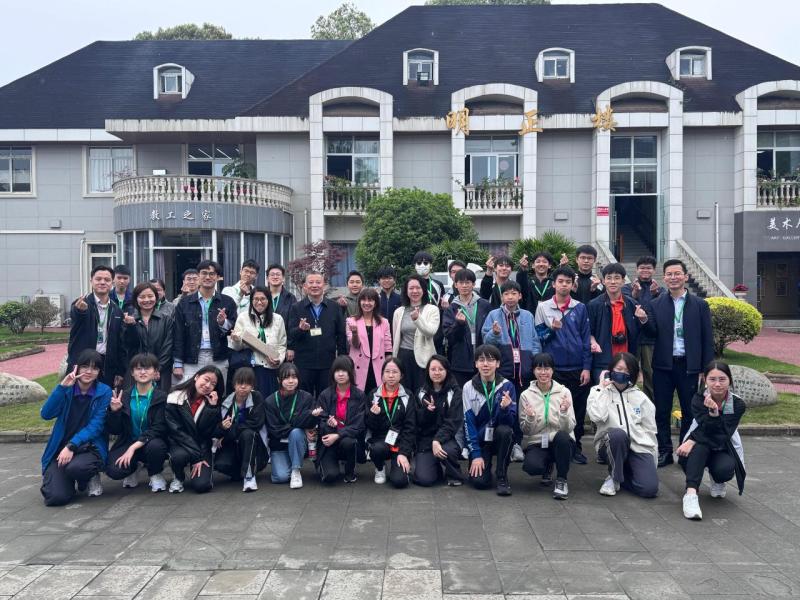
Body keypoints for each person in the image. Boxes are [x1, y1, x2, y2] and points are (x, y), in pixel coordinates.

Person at [650, 259, 715, 468]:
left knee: (690, 410)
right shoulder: (656, 304)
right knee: (662, 411)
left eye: (677, 273)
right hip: (663, 366)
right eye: (669, 274)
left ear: (685, 276)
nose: (673, 277)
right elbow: (650, 333)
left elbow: (707, 338)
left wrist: (707, 369)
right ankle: (664, 451)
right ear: (664, 278)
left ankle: (685, 451)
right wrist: (642, 320)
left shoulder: (700, 305)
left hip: (689, 366)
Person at [535, 265, 592, 465]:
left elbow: (586, 338)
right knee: (553, 410)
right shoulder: (543, 307)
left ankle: (576, 448)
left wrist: (586, 367)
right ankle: (553, 449)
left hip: (577, 368)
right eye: (560, 281)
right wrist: (552, 329)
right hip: (554, 369)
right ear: (554, 284)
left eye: (568, 282)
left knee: (577, 410)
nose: (564, 285)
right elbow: (539, 337)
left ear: (573, 285)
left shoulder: (579, 307)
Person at [40, 350, 111, 506]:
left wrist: (71, 445)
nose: (89, 372)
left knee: (77, 468)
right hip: (61, 449)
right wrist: (61, 388)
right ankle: (65, 482)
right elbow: (46, 414)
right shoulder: (67, 389)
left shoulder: (104, 391)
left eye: (94, 368)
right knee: (56, 498)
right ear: (76, 368)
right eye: (85, 366)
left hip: (88, 447)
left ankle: (88, 476)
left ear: (99, 372)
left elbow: (96, 426)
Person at [677, 361, 746, 520]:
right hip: (701, 447)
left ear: (730, 380)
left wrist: (692, 440)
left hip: (723, 447)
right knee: (700, 447)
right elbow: (705, 429)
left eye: (722, 379)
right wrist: (710, 416)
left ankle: (717, 479)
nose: (717, 384)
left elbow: (723, 434)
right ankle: (691, 494)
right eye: (712, 379)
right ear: (705, 380)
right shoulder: (698, 399)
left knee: (724, 469)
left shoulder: (737, 404)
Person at [587, 352, 659, 498]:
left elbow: (650, 429)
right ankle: (614, 478)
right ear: (611, 370)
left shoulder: (640, 397)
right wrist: (602, 388)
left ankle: (623, 475)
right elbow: (597, 416)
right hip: (610, 444)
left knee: (649, 489)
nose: (622, 373)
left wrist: (652, 459)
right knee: (618, 435)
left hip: (638, 446)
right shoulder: (598, 391)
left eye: (627, 370)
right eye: (619, 369)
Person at [104, 353, 169, 492]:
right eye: (138, 369)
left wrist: (133, 448)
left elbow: (159, 428)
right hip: (128, 441)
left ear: (155, 372)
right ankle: (134, 468)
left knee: (156, 447)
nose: (143, 372)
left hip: (152, 442)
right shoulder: (124, 396)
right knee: (113, 470)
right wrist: (114, 412)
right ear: (132, 373)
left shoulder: (162, 397)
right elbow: (115, 430)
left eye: (147, 368)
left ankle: (155, 473)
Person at [462, 344, 519, 495]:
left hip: (499, 438)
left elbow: (510, 423)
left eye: (490, 360)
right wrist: (476, 455)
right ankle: (483, 464)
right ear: (476, 364)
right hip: (481, 441)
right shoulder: (468, 387)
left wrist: (505, 409)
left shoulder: (507, 386)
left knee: (506, 431)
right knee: (479, 482)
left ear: (498, 363)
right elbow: (468, 423)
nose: (485, 364)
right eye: (481, 360)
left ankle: (502, 475)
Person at [518, 353, 576, 500]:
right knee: (531, 466)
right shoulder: (526, 395)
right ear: (533, 371)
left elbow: (569, 428)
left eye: (547, 368)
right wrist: (530, 417)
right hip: (538, 441)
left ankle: (561, 480)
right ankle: (547, 465)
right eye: (539, 368)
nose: (543, 372)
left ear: (552, 370)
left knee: (562, 437)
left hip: (560, 441)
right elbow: (525, 430)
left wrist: (564, 412)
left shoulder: (564, 392)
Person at [173, 260, 237, 387]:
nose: (208, 277)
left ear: (218, 277)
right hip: (191, 358)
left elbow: (234, 329)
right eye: (204, 273)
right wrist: (178, 363)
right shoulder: (184, 303)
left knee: (217, 393)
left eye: (212, 274)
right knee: (190, 393)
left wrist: (223, 323)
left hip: (219, 357)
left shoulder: (227, 302)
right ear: (198, 276)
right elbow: (178, 334)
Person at [406, 355, 465, 487]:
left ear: (447, 371)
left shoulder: (455, 392)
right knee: (424, 480)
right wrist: (427, 412)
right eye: (433, 369)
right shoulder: (421, 393)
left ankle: (454, 474)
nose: (437, 372)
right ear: (428, 371)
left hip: (448, 438)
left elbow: (453, 421)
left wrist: (437, 440)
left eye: (440, 369)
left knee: (448, 450)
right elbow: (417, 421)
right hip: (426, 439)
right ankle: (436, 468)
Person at [164, 366, 225, 493]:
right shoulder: (175, 397)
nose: (208, 385)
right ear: (196, 377)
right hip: (180, 443)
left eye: (213, 384)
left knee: (202, 486)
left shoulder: (212, 402)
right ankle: (178, 476)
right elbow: (177, 432)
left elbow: (207, 433)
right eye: (206, 379)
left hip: (202, 445)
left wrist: (211, 409)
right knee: (179, 457)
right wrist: (197, 456)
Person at [287, 271, 347, 396]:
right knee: (303, 397)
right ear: (305, 286)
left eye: (318, 282)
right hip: (304, 363)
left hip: (327, 363)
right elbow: (291, 334)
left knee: (326, 397)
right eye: (311, 282)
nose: (314, 285)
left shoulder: (334, 307)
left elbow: (341, 334)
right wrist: (300, 329)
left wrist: (342, 358)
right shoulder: (296, 308)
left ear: (324, 285)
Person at [587, 263, 650, 383]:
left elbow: (641, 332)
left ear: (623, 281)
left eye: (617, 278)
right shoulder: (594, 305)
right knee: (604, 392)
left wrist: (643, 319)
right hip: (603, 360)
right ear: (603, 281)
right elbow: (589, 331)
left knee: (625, 393)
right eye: (609, 278)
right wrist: (593, 342)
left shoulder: (632, 304)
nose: (613, 282)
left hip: (627, 361)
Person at [481, 280, 541, 399]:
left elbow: (535, 341)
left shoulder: (527, 315)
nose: (510, 297)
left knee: (524, 403)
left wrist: (533, 361)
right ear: (501, 297)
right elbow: (486, 342)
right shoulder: (493, 315)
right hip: (503, 369)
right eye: (506, 294)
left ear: (520, 296)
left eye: (514, 293)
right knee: (504, 403)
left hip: (525, 369)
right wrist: (494, 333)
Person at [67, 265, 125, 388]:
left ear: (112, 283)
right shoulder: (81, 304)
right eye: (98, 279)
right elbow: (75, 315)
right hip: (82, 363)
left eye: (107, 280)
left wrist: (120, 370)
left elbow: (120, 344)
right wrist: (80, 311)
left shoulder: (116, 310)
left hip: (106, 365)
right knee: (78, 397)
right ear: (91, 281)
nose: (102, 282)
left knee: (103, 396)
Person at [214, 367, 269, 492]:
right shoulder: (226, 401)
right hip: (232, 445)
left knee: (248, 434)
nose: (243, 387)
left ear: (252, 386)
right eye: (240, 383)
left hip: (254, 446)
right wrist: (222, 427)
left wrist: (227, 436)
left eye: (247, 383)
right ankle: (239, 472)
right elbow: (216, 429)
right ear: (234, 384)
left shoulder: (257, 397)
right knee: (221, 465)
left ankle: (249, 476)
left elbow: (256, 423)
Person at [263, 362, 317, 489]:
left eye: (294, 377)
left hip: (298, 441)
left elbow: (310, 422)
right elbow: (274, 430)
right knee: (280, 477)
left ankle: (296, 470)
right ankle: (289, 461)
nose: (291, 381)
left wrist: (301, 427)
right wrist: (300, 425)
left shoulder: (306, 397)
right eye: (286, 378)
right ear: (279, 380)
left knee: (296, 433)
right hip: (279, 444)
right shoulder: (270, 401)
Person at [316, 356, 367, 483]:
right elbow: (320, 421)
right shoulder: (325, 395)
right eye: (337, 370)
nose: (340, 374)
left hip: (347, 440)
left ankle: (350, 471)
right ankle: (324, 463)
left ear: (351, 372)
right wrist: (328, 423)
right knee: (330, 477)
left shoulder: (359, 395)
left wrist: (338, 434)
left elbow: (359, 425)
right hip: (329, 442)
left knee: (349, 442)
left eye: (344, 370)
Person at [230, 285, 286, 398]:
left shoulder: (278, 319)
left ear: (268, 300)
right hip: (249, 369)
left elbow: (281, 345)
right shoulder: (243, 317)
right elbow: (237, 348)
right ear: (251, 301)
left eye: (263, 299)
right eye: (256, 299)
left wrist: (278, 360)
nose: (259, 302)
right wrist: (236, 340)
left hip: (269, 370)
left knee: (268, 402)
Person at [622, 256, 665, 403]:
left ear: (654, 270)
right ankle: (627, 402)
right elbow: (625, 305)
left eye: (648, 268)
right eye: (642, 268)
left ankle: (651, 404)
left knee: (650, 372)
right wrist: (634, 294)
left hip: (650, 338)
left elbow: (662, 308)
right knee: (628, 371)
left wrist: (655, 294)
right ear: (636, 270)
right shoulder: (627, 288)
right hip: (631, 337)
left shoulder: (660, 290)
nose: (645, 270)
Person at [365, 358, 412, 487]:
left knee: (399, 481)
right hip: (381, 441)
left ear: (401, 375)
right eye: (387, 372)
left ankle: (402, 465)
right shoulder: (374, 395)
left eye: (395, 372)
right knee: (376, 449)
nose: (391, 375)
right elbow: (369, 426)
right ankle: (380, 468)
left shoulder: (408, 396)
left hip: (400, 441)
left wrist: (404, 453)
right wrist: (374, 415)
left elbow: (410, 427)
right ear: (382, 374)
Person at [121, 282, 174, 391]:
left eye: (150, 296)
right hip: (135, 371)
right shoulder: (129, 319)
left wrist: (157, 369)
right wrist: (131, 327)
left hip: (160, 372)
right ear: (136, 299)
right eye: (142, 297)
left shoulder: (166, 320)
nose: (146, 300)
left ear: (156, 297)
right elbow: (128, 346)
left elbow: (168, 346)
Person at [392, 275, 440, 394]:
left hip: (424, 357)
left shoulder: (432, 310)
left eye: (418, 288)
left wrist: (417, 319)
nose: (414, 291)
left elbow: (430, 332)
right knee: (404, 393)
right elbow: (396, 337)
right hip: (403, 356)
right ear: (406, 291)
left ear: (423, 290)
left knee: (422, 393)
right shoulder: (399, 312)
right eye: (411, 288)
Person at [443, 268, 491, 386]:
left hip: (483, 359)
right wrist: (458, 324)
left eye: (468, 282)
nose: (464, 286)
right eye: (461, 282)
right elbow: (449, 336)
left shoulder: (484, 305)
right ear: (456, 285)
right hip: (460, 362)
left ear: (473, 284)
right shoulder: (451, 309)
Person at [347, 288, 392, 393]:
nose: (367, 303)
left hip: (378, 366)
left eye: (370, 300)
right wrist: (355, 333)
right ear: (359, 302)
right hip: (359, 366)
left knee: (377, 396)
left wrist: (389, 368)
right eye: (364, 300)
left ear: (375, 303)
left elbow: (388, 347)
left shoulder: (384, 322)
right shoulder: (351, 321)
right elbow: (354, 344)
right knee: (359, 396)